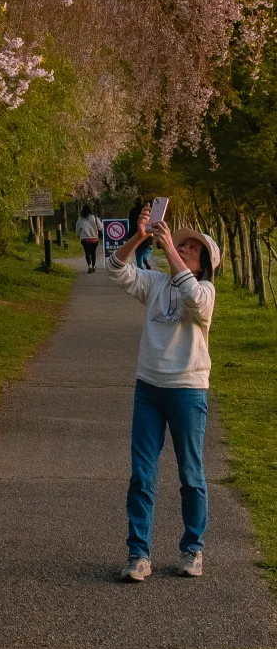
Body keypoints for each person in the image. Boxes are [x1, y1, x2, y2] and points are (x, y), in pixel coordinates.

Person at [109, 206, 220, 582]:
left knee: (191, 474)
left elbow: (194, 296)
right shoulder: (156, 283)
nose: (184, 248)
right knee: (141, 474)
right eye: (182, 244)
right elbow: (117, 271)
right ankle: (138, 554)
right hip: (149, 389)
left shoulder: (203, 290)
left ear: (202, 263)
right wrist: (139, 236)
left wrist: (169, 246)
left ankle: (193, 549)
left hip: (187, 390)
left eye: (191, 247)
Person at [128, 196, 154, 270]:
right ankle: (145, 258)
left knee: (138, 251)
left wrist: (130, 235)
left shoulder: (132, 211)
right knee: (149, 248)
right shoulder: (145, 210)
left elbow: (131, 223)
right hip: (146, 233)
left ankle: (140, 268)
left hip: (135, 234)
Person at [75, 204, 102, 273]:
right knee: (93, 253)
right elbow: (101, 227)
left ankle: (89, 266)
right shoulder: (94, 218)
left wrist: (78, 234)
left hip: (84, 239)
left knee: (87, 253)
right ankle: (93, 266)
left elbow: (77, 228)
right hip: (94, 238)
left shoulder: (80, 219)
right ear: (90, 210)